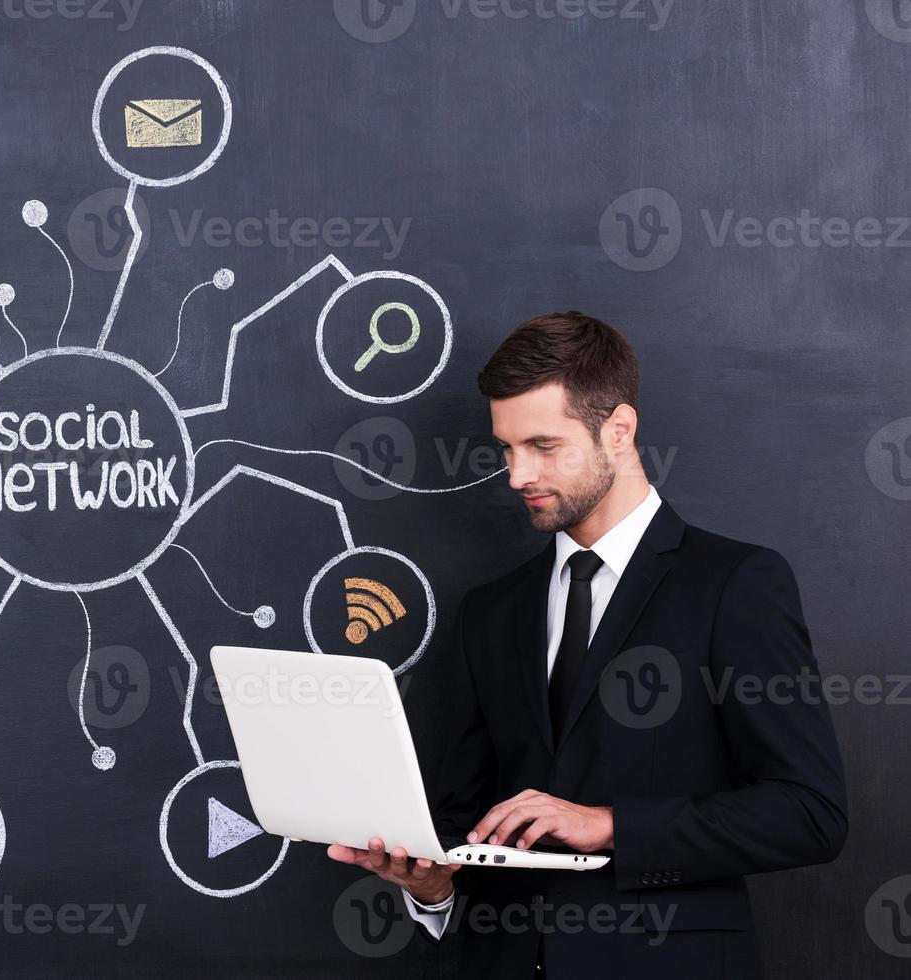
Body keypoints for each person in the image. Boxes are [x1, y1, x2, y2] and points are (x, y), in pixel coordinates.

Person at [327, 311, 847, 978]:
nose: (517, 475)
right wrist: (433, 886)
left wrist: (610, 824)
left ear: (619, 431)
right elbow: (464, 820)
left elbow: (811, 813)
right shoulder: (490, 611)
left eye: (543, 446)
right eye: (506, 450)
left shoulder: (735, 584)